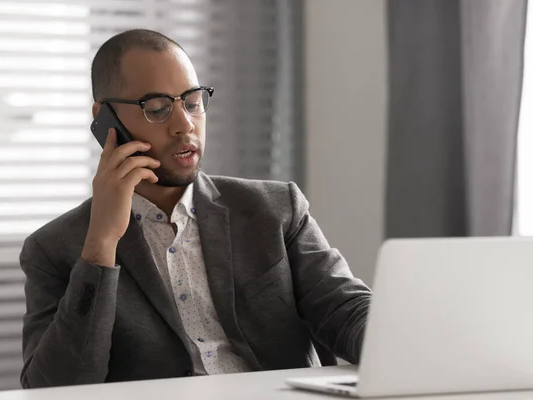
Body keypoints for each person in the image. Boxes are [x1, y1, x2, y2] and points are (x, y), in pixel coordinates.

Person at [19, 28, 372, 389]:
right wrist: (101, 246)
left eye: (191, 102)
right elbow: (53, 389)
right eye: (157, 108)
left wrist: (402, 336)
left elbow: (345, 310)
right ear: (105, 119)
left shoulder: (275, 209)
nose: (185, 125)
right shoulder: (54, 249)